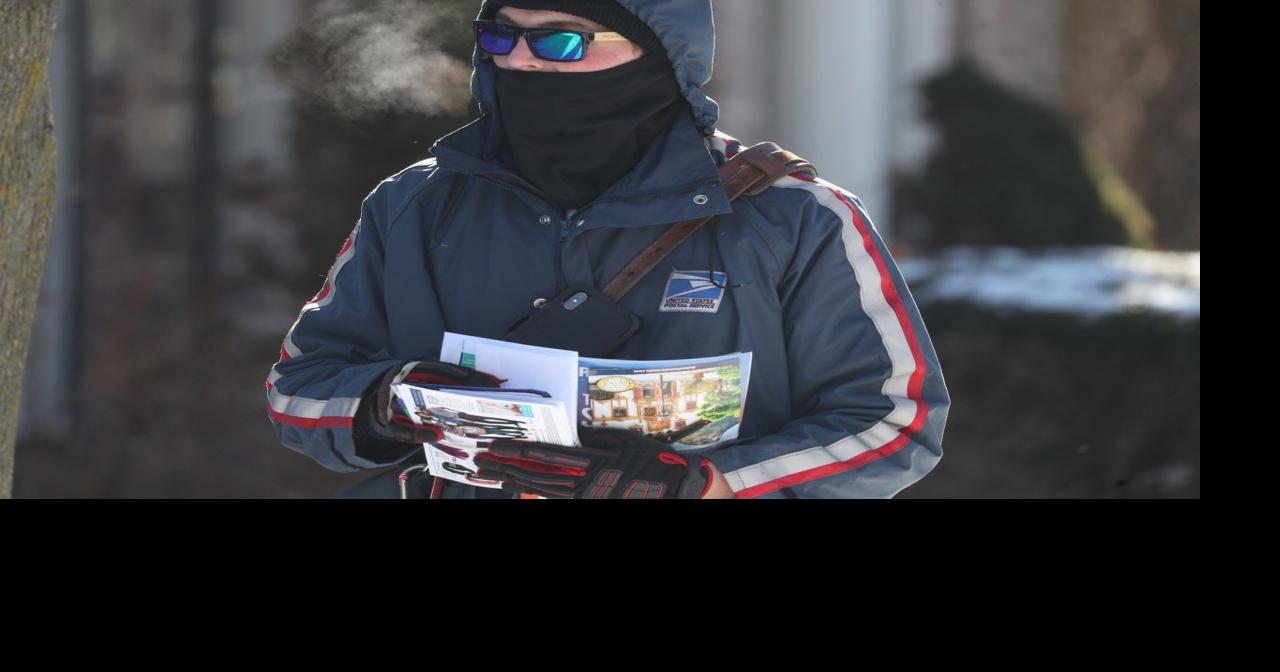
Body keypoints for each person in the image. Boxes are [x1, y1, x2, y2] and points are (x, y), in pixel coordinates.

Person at [266, 0, 951, 499]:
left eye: (563, 41)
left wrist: (706, 486)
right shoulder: (413, 205)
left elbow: (894, 420)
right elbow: (298, 388)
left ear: (656, 50)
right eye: (500, 37)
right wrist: (386, 401)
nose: (522, 60)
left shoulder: (797, 218)